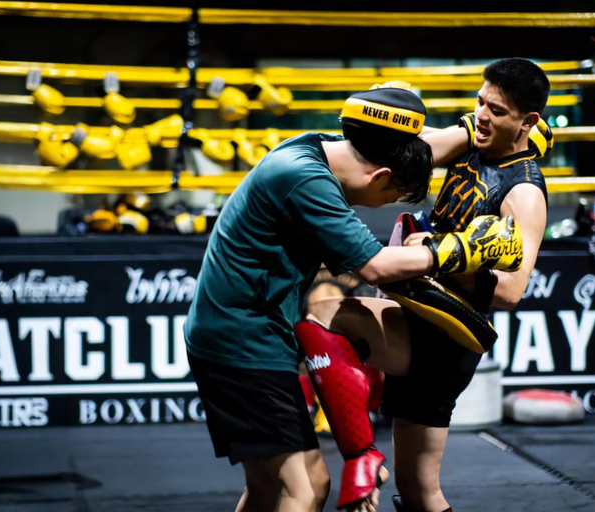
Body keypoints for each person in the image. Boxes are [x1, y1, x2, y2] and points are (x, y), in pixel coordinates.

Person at [299, 58, 551, 512]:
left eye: (496, 109)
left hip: (445, 340)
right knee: (418, 492)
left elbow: (513, 290)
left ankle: (360, 456)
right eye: (480, 101)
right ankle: (359, 453)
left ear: (528, 121)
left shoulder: (524, 192)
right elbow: (409, 157)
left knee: (327, 317)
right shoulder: (472, 143)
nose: (482, 115)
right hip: (416, 312)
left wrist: (444, 255)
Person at [184, 83, 443, 512]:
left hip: (235, 335)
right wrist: (454, 253)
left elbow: (425, 147)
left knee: (275, 488)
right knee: (304, 488)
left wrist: (476, 132)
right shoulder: (307, 181)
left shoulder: (312, 149)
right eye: (389, 197)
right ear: (379, 175)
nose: (382, 206)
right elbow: (376, 266)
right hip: (243, 343)